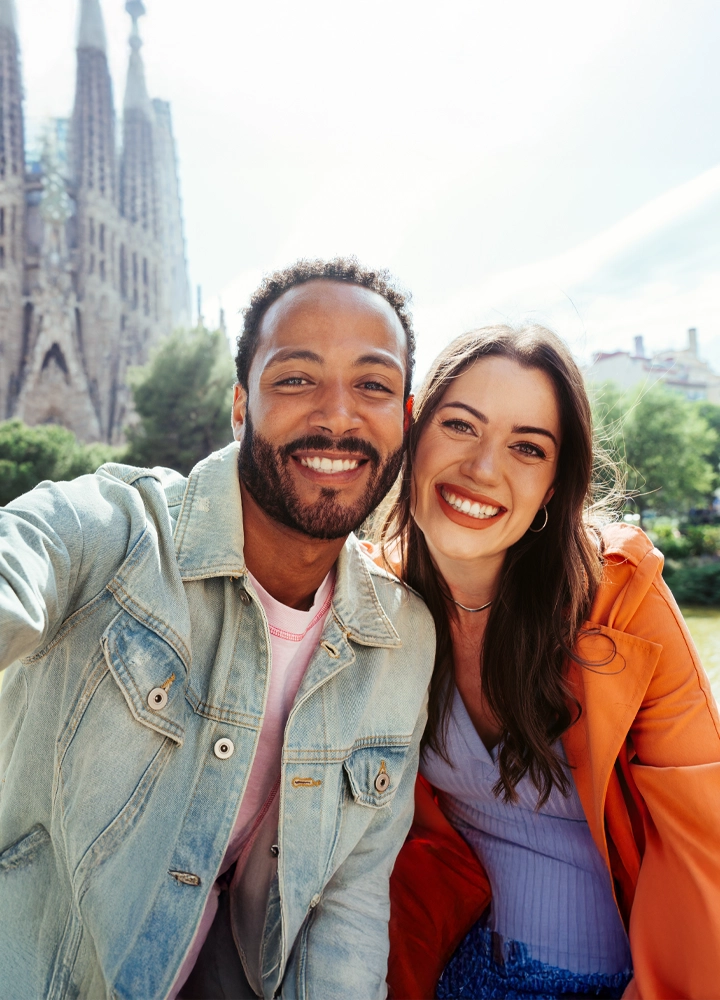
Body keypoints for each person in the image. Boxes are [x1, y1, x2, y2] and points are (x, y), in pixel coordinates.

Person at [0, 258, 435, 1000]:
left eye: (373, 384)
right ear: (240, 406)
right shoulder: (116, 533)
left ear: (406, 414)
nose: (337, 414)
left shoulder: (401, 637)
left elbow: (348, 909)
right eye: (296, 378)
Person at [379, 325, 720, 1000]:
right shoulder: (372, 606)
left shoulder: (621, 597)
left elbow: (700, 845)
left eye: (527, 447)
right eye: (460, 426)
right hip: (454, 972)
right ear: (411, 433)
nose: (484, 468)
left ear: (553, 485)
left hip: (619, 981)